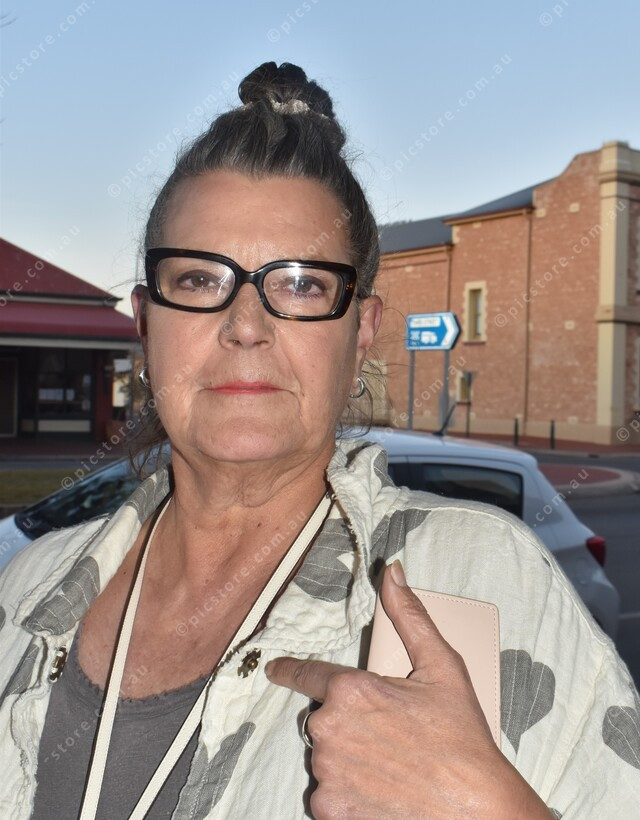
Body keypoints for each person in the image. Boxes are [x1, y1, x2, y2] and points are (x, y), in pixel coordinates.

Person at [0, 62, 638, 819]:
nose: (246, 327)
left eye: (301, 284)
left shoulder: (479, 580)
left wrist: (486, 805)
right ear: (145, 322)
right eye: (200, 280)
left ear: (361, 333)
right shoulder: (27, 590)